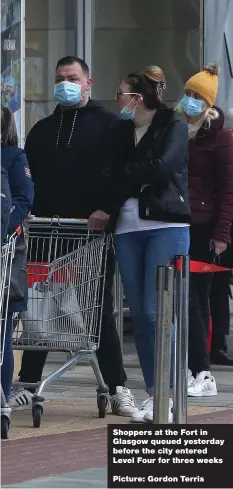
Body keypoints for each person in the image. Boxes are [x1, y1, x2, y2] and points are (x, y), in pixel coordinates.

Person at [9, 56, 138, 417]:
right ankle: (29, 381)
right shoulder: (43, 129)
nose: (65, 83)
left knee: (96, 308)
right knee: (38, 308)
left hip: (91, 232)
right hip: (46, 230)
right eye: (60, 78)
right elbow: (28, 176)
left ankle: (116, 386)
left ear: (88, 83)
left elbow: (123, 176)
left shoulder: (111, 125)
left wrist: (107, 210)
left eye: (72, 77)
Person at [102, 65, 191, 423]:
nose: (117, 99)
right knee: (139, 314)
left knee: (158, 312)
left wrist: (127, 172)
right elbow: (111, 170)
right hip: (127, 226)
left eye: (122, 92)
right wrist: (131, 173)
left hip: (165, 223)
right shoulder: (122, 129)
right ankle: (154, 393)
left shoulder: (172, 122)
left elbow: (161, 168)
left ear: (138, 97)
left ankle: (168, 394)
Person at [178, 63, 233, 396]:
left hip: (205, 229)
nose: (190, 101)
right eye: (187, 93)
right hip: (176, 222)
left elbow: (229, 189)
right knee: (180, 299)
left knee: (197, 299)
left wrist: (222, 234)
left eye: (197, 96)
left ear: (209, 102)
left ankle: (202, 371)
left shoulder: (221, 136)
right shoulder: (175, 127)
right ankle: (185, 366)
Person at [1, 105, 34, 403]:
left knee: (2, 325)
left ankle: (3, 392)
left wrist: (3, 230)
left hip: (6, 253)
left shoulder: (13, 156)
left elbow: (24, 198)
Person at [209, 108, 233, 366]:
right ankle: (215, 344)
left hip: (220, 226)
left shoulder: (223, 142)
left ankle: (217, 344)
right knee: (215, 288)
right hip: (218, 226)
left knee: (217, 288)